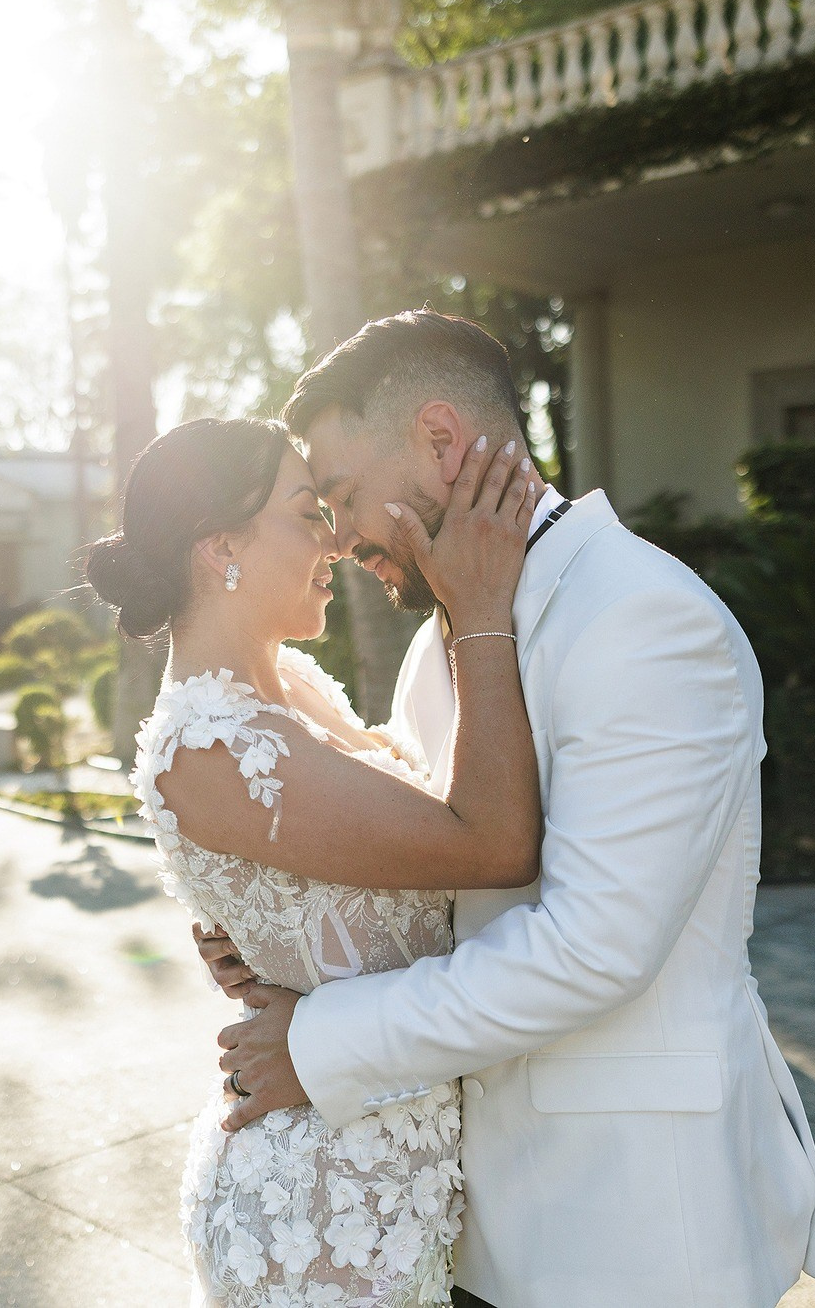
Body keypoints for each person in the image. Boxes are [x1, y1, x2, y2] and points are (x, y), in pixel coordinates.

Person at [197, 310, 815, 1308]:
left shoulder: (641, 618)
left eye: (346, 497)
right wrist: (285, 934)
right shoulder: (441, 636)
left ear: (441, 442)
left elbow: (594, 947)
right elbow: (430, 870)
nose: (343, 536)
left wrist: (319, 1044)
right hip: (471, 1212)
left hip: (627, 1227)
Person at [84, 413, 548, 1306]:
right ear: (222, 546)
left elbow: (336, 873)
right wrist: (480, 608)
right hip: (324, 1210)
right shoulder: (210, 745)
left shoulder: (290, 685)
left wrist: (267, 938)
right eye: (308, 513)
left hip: (390, 1167)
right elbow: (489, 841)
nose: (334, 542)